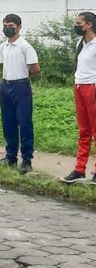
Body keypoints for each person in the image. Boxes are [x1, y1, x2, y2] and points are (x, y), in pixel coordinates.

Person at [0, 14, 40, 174]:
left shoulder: (25, 47)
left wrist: (23, 76)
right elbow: (4, 65)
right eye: (5, 25)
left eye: (11, 26)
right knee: (8, 124)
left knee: (25, 123)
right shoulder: (3, 47)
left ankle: (27, 160)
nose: (8, 28)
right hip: (5, 86)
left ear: (19, 27)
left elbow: (35, 68)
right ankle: (10, 157)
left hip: (21, 86)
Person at [62, 12, 96, 184]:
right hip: (79, 85)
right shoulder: (80, 44)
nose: (77, 26)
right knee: (84, 131)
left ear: (89, 25)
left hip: (93, 87)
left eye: (79, 23)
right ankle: (79, 169)